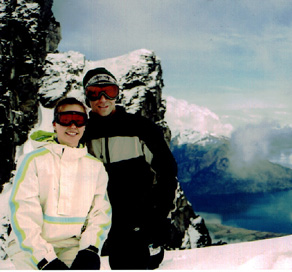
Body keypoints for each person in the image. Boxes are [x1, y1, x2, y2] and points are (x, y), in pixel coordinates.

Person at [82, 67, 178, 269]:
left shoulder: (140, 128)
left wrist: (159, 216)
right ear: (86, 96)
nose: (102, 99)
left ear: (117, 93)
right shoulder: (82, 133)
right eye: (94, 92)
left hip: (139, 222)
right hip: (102, 223)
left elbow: (167, 172)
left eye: (109, 91)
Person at [6, 97, 112, 270]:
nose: (72, 126)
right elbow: (23, 214)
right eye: (65, 119)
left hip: (72, 244)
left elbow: (100, 212)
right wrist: (45, 260)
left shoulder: (95, 167)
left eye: (78, 120)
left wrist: (90, 250)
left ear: (85, 125)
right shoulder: (33, 161)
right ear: (55, 124)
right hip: (29, 246)